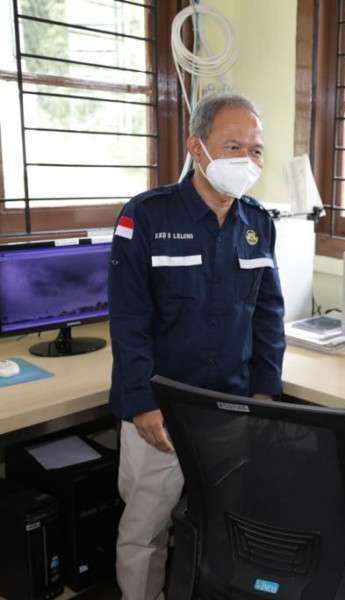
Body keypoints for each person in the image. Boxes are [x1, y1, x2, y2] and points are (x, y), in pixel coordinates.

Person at [108, 92, 286, 600]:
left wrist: (265, 394)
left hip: (230, 409)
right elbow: (129, 319)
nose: (246, 161)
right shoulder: (145, 216)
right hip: (158, 413)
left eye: (255, 150)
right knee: (145, 530)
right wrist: (142, 404)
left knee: (224, 525)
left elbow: (268, 316)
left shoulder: (258, 223)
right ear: (197, 147)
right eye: (233, 146)